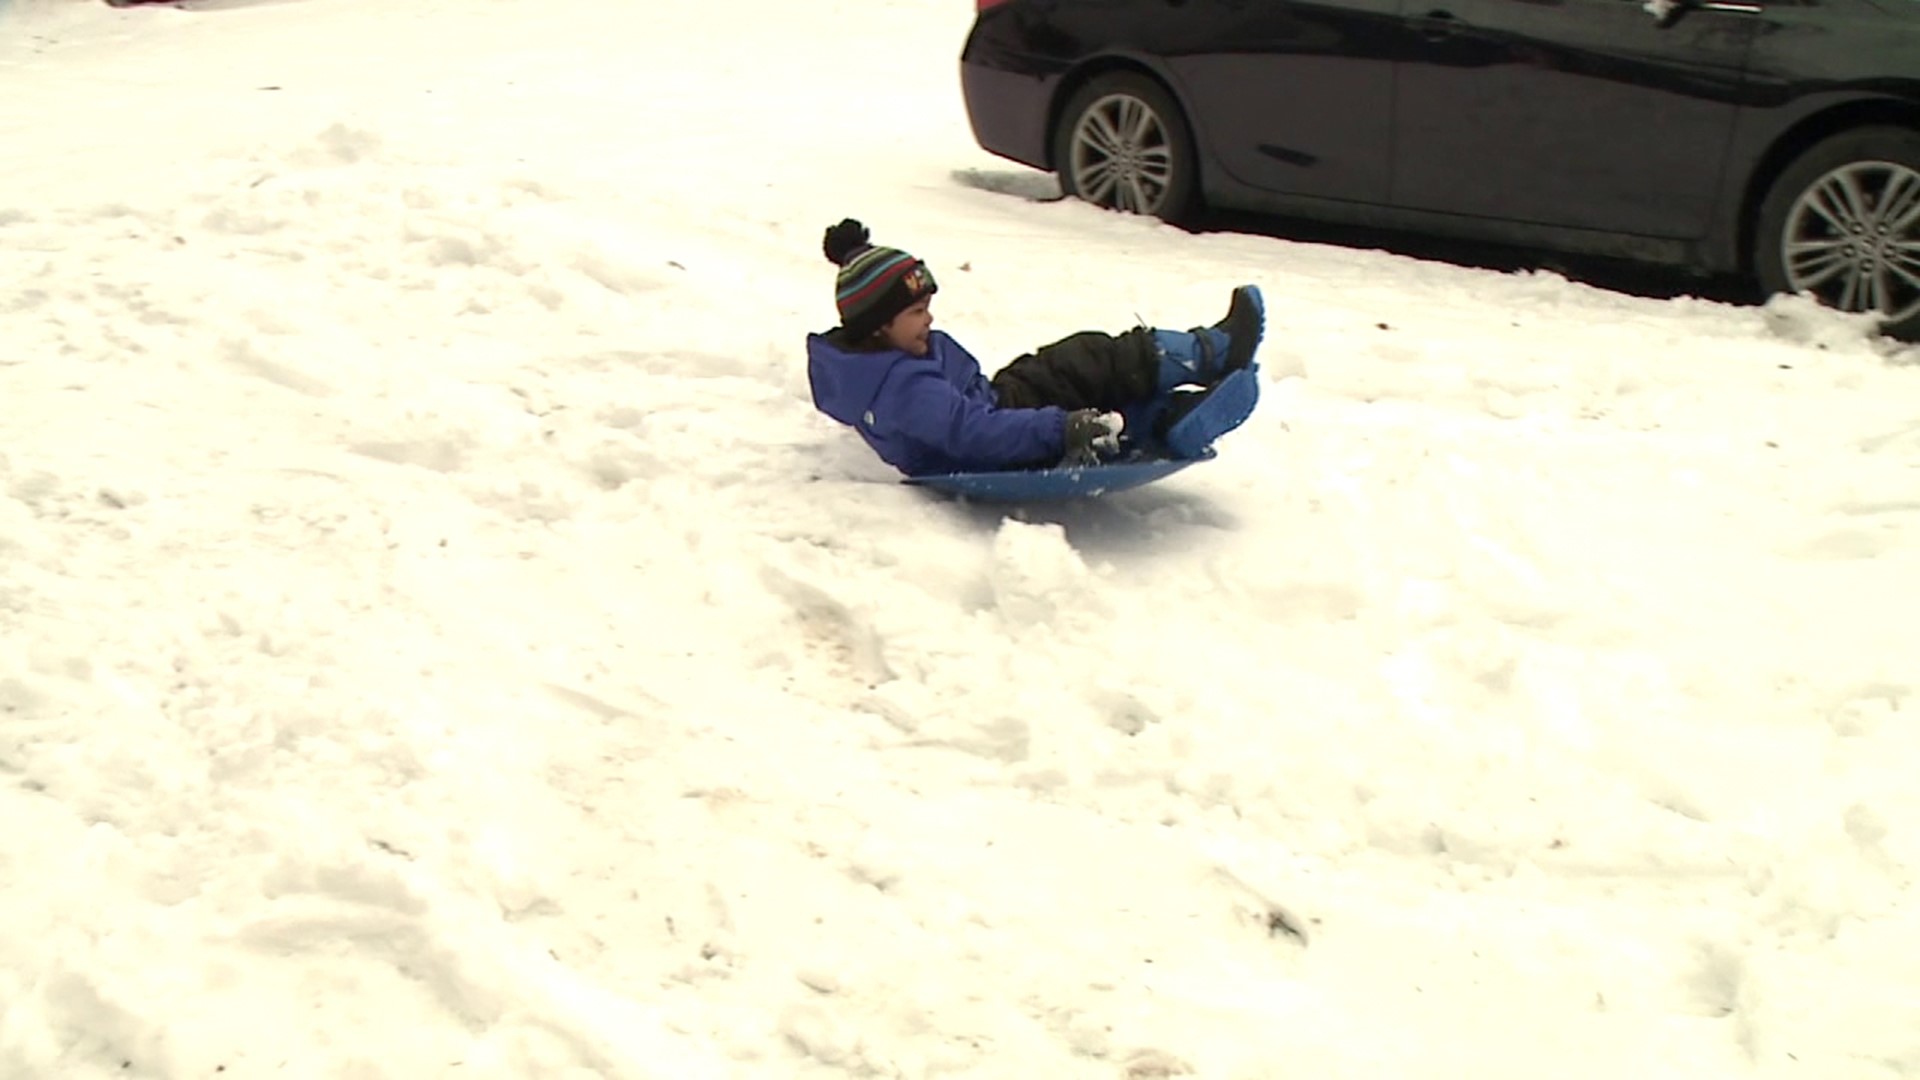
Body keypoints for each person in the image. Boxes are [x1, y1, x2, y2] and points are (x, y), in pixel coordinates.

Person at [805, 219, 1263, 478]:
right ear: (878, 326)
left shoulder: (882, 364)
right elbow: (969, 432)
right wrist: (1060, 430)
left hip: (997, 410)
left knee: (1077, 369)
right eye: (916, 312)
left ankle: (1170, 420)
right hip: (999, 436)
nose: (929, 319)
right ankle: (1210, 354)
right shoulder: (901, 387)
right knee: (1085, 363)